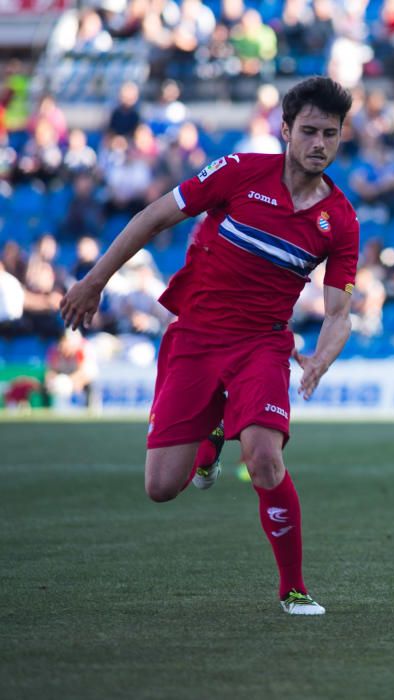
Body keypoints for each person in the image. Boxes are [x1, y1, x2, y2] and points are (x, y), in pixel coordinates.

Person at [60, 76, 359, 616]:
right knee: (161, 487)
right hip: (195, 338)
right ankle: (212, 433)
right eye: (309, 131)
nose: (319, 143)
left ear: (341, 138)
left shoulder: (338, 220)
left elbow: (340, 312)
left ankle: (292, 587)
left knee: (265, 458)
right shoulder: (238, 172)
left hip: (262, 346)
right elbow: (154, 218)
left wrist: (319, 358)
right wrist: (94, 281)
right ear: (286, 130)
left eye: (331, 134)